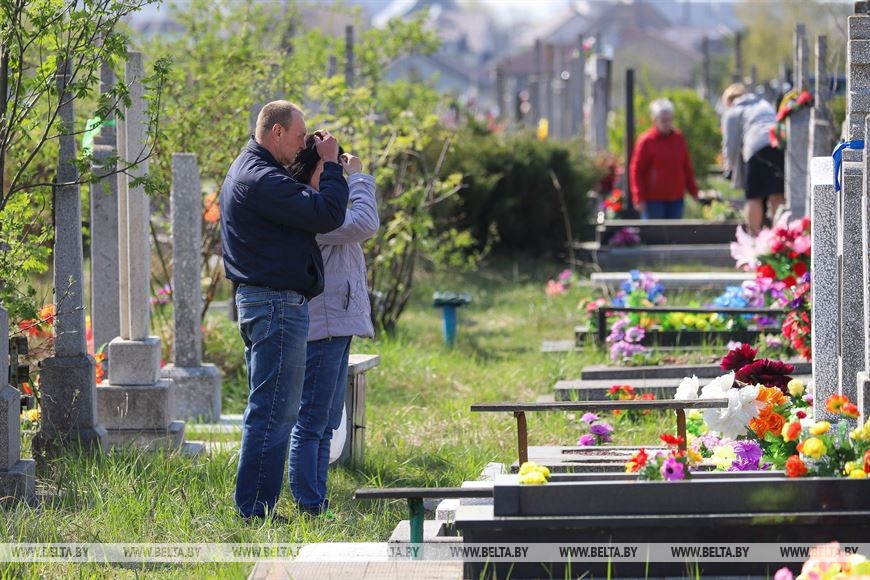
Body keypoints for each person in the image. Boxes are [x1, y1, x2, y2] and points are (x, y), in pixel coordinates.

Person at [220, 101, 349, 521]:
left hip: (267, 303)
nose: (300, 148)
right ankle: (255, 511)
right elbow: (328, 213)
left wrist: (314, 158)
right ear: (276, 132)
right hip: (274, 305)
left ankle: (255, 505)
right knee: (274, 411)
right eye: (298, 138)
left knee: (270, 408)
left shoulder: (255, 171)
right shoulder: (261, 179)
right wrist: (330, 165)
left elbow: (298, 203)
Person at [286, 136, 379, 516]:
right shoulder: (313, 211)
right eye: (329, 168)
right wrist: (358, 177)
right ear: (312, 172)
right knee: (312, 419)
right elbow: (365, 222)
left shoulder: (321, 206)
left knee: (326, 420)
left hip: (336, 322)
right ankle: (309, 503)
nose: (336, 175)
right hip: (322, 324)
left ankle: (316, 499)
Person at [720, 83, 785, 236]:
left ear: (728, 101)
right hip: (778, 145)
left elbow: (731, 145)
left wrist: (729, 166)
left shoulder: (732, 111)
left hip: (756, 148)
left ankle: (753, 237)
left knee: (754, 196)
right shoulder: (763, 104)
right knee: (777, 195)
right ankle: (779, 237)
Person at [629, 98, 699, 220]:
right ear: (654, 120)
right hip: (653, 200)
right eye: (663, 120)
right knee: (655, 236)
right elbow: (636, 170)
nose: (667, 123)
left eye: (670, 120)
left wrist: (693, 191)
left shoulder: (678, 137)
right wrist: (639, 197)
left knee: (674, 236)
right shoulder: (646, 141)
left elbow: (686, 166)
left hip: (676, 199)